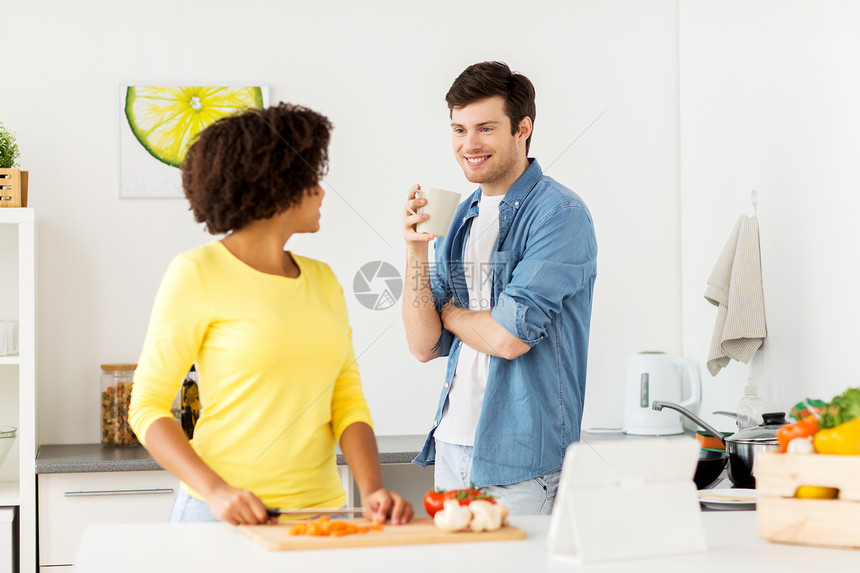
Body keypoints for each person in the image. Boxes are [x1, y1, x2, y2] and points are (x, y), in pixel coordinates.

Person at [130, 103, 413, 526]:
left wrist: (373, 489)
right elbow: (147, 407)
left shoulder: (323, 281)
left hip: (322, 517)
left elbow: (346, 399)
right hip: (222, 518)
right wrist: (217, 491)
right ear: (277, 186)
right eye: (311, 179)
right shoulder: (196, 274)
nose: (321, 192)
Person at [401, 61, 597, 514]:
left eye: (485, 128)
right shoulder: (461, 214)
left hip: (522, 457)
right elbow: (423, 344)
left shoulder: (558, 214)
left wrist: (450, 312)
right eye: (459, 129)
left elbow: (508, 339)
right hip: (452, 443)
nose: (469, 144)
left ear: (522, 129)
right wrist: (414, 251)